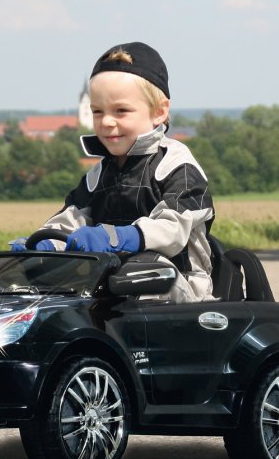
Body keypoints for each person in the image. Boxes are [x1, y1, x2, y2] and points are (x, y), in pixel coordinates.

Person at [11, 41, 215, 302]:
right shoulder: (99, 174)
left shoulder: (177, 165)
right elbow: (71, 220)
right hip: (113, 280)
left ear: (159, 112)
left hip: (178, 288)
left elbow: (173, 229)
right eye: (98, 112)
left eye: (121, 111)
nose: (107, 122)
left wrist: (118, 237)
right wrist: (46, 246)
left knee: (144, 269)